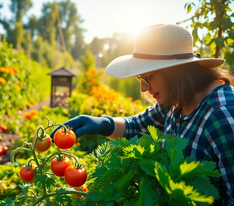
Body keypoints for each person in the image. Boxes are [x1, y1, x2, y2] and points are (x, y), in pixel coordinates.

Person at [50, 24, 234, 205]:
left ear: (176, 71)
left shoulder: (224, 117)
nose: (143, 87)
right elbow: (138, 125)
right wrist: (102, 124)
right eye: (140, 78)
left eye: (147, 78)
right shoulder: (175, 99)